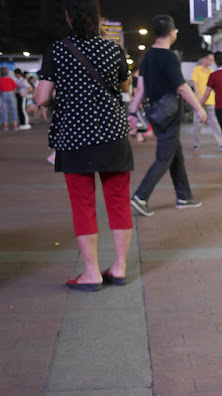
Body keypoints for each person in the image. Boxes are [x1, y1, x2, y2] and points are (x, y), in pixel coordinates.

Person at [35, 0, 134, 291]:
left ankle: (91, 273)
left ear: (68, 17)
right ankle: (119, 267)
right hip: (113, 136)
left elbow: (41, 98)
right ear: (98, 17)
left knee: (83, 206)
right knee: (118, 202)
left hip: (75, 139)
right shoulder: (113, 49)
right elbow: (124, 87)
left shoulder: (57, 51)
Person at [128, 14, 207, 216]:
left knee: (175, 154)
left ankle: (184, 196)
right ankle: (140, 196)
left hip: (155, 112)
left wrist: (132, 112)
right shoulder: (168, 56)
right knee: (164, 158)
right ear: (171, 33)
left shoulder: (147, 56)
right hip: (170, 114)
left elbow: (141, 90)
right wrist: (199, 108)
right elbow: (181, 87)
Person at [190, 51, 222, 152]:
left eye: (212, 60)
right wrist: (198, 98)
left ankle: (221, 143)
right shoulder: (197, 69)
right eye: (210, 59)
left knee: (214, 123)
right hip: (198, 101)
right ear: (204, 59)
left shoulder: (211, 72)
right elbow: (195, 85)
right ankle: (196, 143)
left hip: (210, 101)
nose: (211, 62)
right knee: (197, 123)